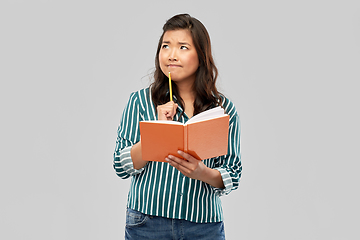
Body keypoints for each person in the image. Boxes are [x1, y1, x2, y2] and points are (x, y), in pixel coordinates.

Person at [113, 13, 242, 240]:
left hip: (203, 225)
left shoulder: (223, 109)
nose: (172, 55)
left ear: (201, 56)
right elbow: (120, 165)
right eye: (166, 46)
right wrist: (157, 133)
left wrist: (203, 172)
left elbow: (232, 172)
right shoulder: (141, 101)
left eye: (183, 47)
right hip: (147, 222)